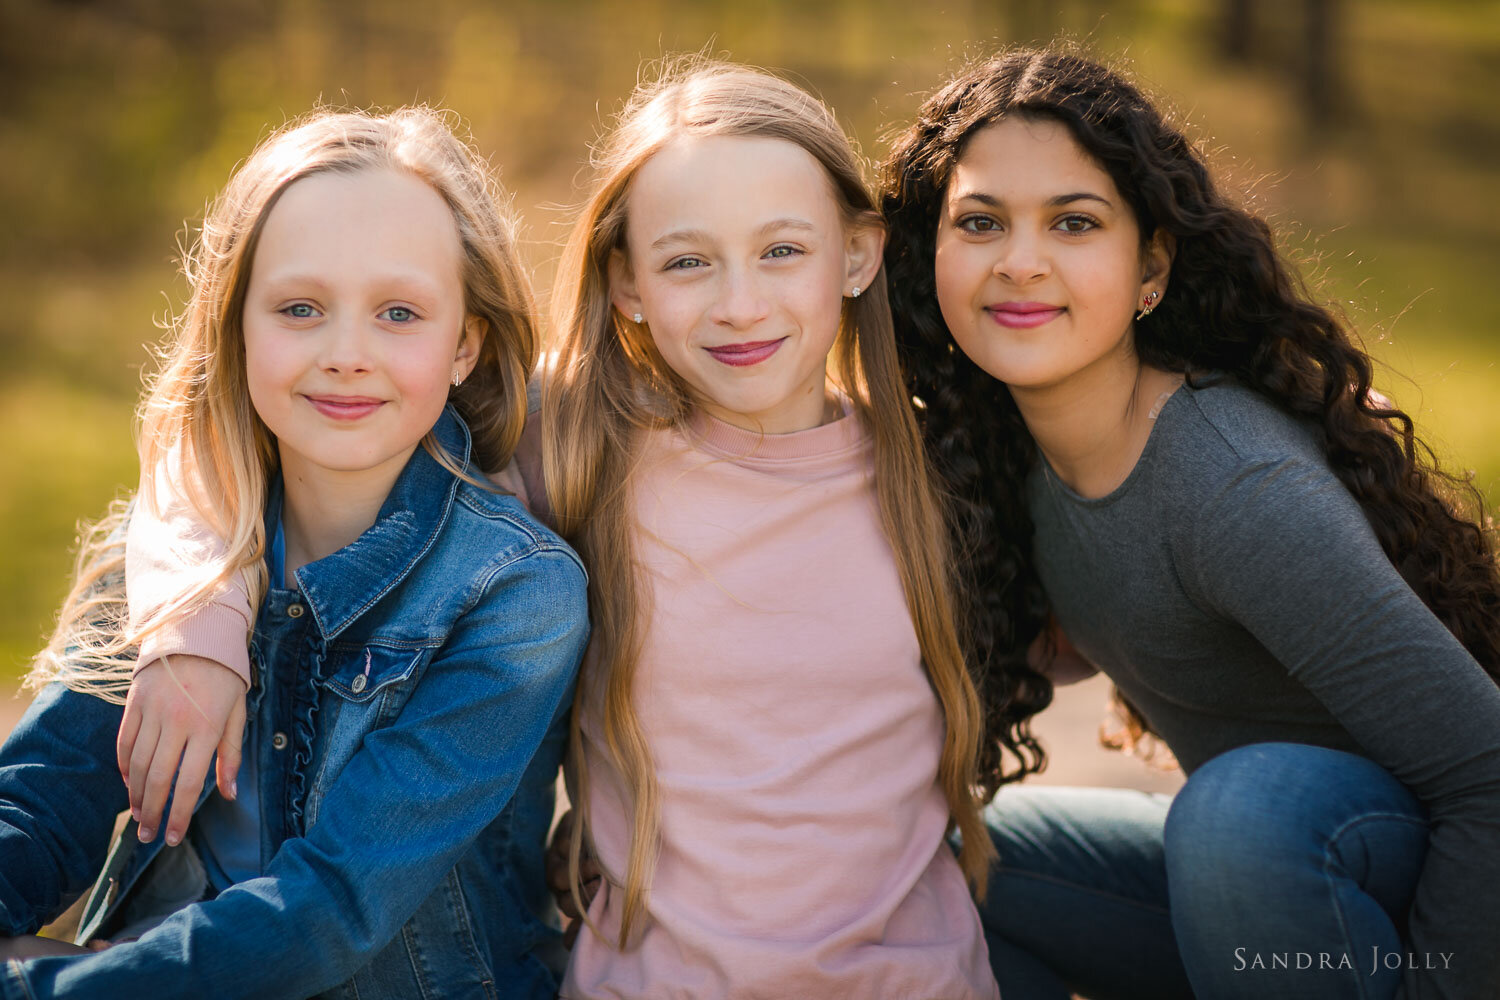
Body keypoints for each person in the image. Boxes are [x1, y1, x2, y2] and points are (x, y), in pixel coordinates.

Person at [108, 59, 1036, 999]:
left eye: (782, 251)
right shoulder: (583, 442)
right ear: (627, 282)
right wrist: (200, 630)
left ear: (857, 254)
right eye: (686, 261)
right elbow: (248, 449)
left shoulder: (939, 471)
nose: (740, 303)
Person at [880, 46, 1500, 1000]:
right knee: (932, 864)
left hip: (1422, 889)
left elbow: (1488, 777)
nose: (1021, 262)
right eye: (980, 222)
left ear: (1151, 271)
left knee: (1239, 812)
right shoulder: (998, 449)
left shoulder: (1232, 488)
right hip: (1272, 910)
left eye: (1075, 223)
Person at [0, 107, 589, 999]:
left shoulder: (517, 596)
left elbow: (334, 907)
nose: (346, 355)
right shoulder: (179, 561)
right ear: (238, 328)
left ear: (465, 343)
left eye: (399, 313)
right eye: (299, 309)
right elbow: (41, 802)